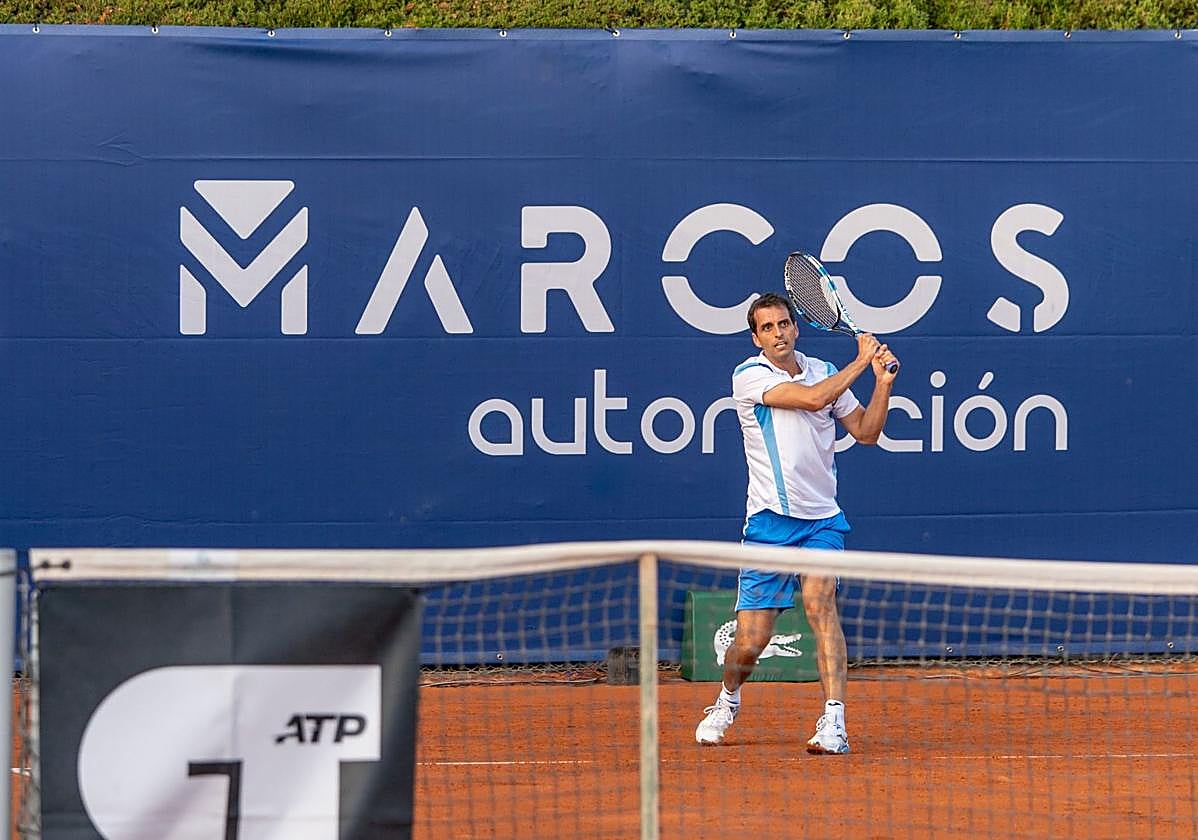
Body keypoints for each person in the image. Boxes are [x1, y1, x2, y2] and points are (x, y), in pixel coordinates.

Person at [695, 292, 898, 753]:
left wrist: (881, 383)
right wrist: (861, 360)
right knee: (751, 641)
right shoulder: (749, 376)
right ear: (756, 338)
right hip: (768, 523)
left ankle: (834, 723)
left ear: (796, 327)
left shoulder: (825, 370)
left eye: (784, 323)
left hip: (822, 520)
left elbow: (866, 433)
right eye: (767, 328)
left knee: (819, 601)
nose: (778, 333)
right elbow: (810, 400)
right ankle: (727, 699)